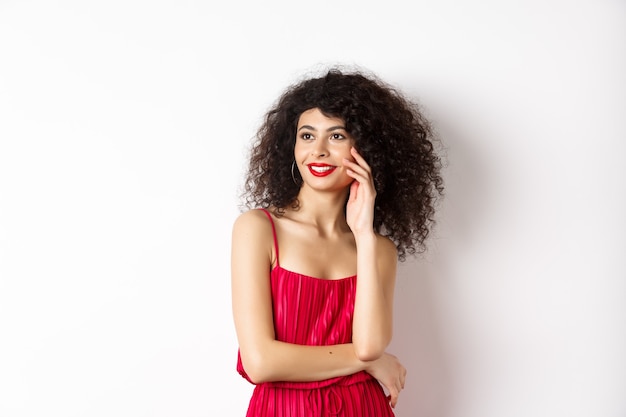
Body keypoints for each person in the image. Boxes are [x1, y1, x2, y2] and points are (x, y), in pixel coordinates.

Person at [231, 66, 444, 417]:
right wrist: (370, 363)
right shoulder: (258, 229)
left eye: (337, 136)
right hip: (284, 410)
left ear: (367, 149)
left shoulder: (378, 249)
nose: (318, 151)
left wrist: (363, 234)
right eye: (307, 136)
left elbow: (371, 344)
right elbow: (260, 362)